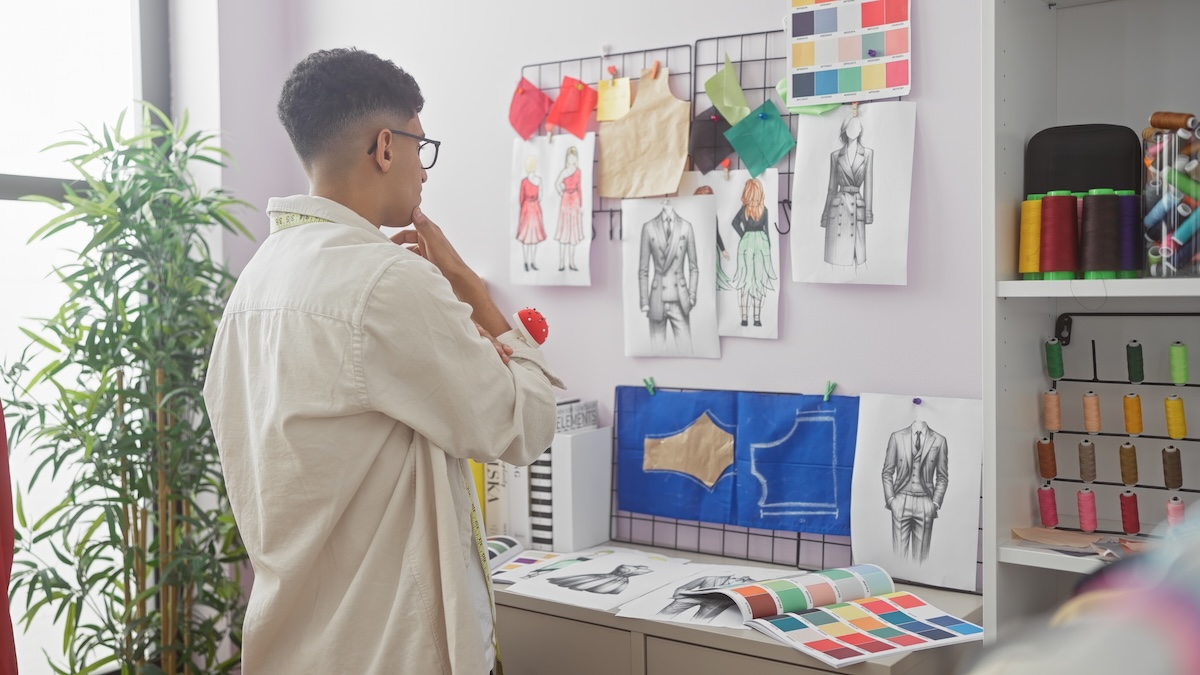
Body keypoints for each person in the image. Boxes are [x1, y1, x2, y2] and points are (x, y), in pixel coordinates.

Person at [202, 48, 561, 675]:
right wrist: (467, 284)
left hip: (290, 643)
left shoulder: (255, 283)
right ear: (386, 147)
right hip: (390, 647)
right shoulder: (388, 281)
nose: (424, 172)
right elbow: (524, 424)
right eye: (422, 148)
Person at [881, 421, 949, 562]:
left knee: (921, 559)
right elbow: (887, 472)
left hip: (926, 501)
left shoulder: (940, 440)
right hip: (900, 499)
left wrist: (935, 503)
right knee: (897, 556)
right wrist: (891, 500)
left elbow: (942, 477)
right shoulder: (897, 437)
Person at [638, 205, 699, 354]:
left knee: (686, 351)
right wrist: (644, 301)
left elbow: (693, 267)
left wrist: (691, 296)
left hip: (680, 299)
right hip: (657, 299)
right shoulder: (649, 227)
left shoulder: (686, 226)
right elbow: (643, 269)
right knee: (657, 353)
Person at [821, 115, 874, 267]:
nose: (854, 129)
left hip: (857, 205)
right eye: (850, 126)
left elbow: (869, 185)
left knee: (855, 261)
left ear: (861, 130)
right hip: (838, 207)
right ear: (844, 129)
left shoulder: (868, 153)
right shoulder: (836, 155)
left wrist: (868, 213)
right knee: (837, 260)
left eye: (857, 126)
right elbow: (831, 187)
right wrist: (825, 216)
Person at [728, 178, 776, 327]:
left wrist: (744, 235)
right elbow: (766, 230)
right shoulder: (764, 210)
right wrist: (768, 245)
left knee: (745, 280)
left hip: (747, 242)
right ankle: (757, 319)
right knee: (758, 281)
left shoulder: (744, 209)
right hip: (761, 242)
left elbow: (735, 223)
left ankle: (743, 318)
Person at [553, 145, 584, 271]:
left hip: (575, 199)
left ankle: (571, 262)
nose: (572, 159)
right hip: (566, 200)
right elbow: (556, 183)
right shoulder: (564, 172)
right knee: (565, 231)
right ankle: (561, 262)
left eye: (573, 157)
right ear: (567, 158)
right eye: (570, 157)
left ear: (576, 158)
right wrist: (561, 193)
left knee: (573, 233)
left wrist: (581, 205)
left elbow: (580, 188)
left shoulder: (578, 171)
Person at [516, 154, 545, 271]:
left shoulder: (537, 180)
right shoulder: (527, 181)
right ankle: (528, 262)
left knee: (532, 238)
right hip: (529, 209)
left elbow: (522, 198)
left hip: (531, 209)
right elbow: (539, 197)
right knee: (527, 238)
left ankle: (531, 261)